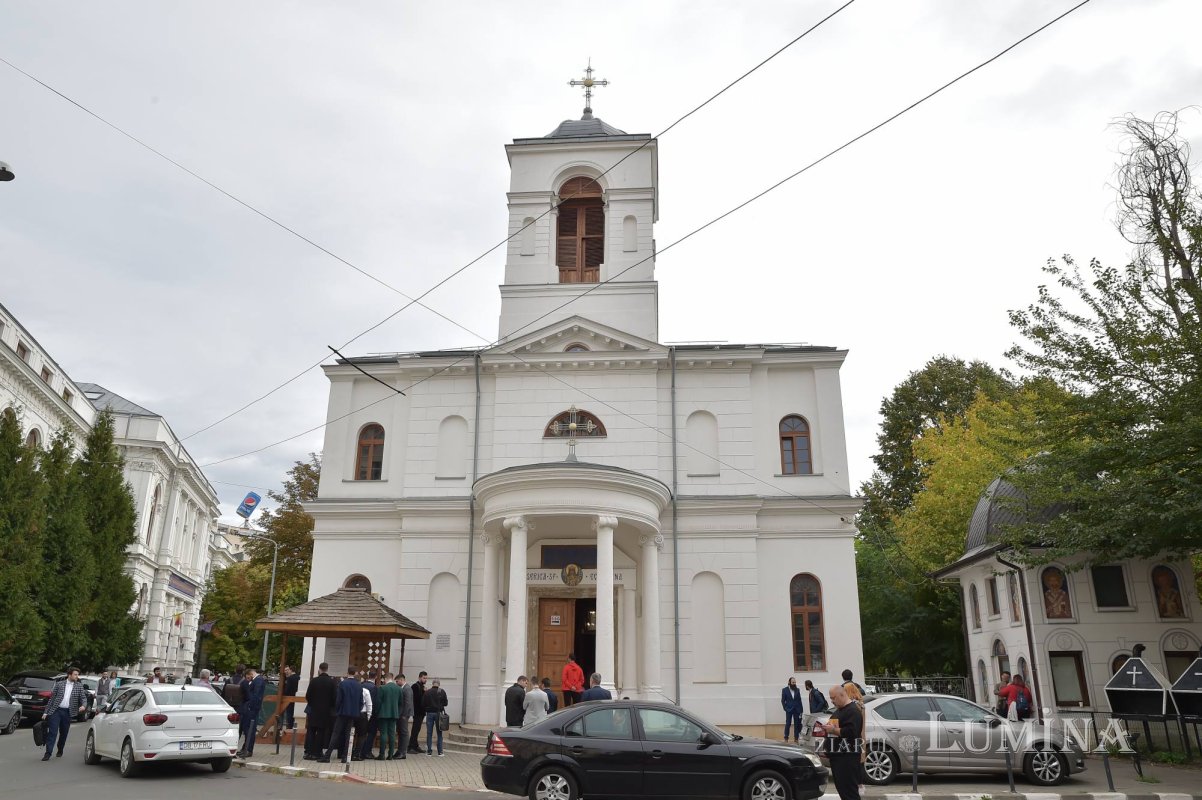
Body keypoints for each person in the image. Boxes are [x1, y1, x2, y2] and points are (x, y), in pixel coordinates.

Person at [821, 684, 864, 800]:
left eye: (833, 698)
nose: (832, 701)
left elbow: (851, 732)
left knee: (849, 793)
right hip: (838, 758)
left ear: (842, 694)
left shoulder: (853, 711)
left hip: (847, 759)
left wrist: (833, 730)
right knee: (843, 792)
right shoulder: (840, 710)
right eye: (831, 698)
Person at [41, 667, 88, 761]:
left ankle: (60, 749)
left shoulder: (79, 686)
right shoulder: (59, 684)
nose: (77, 676)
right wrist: (46, 712)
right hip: (56, 711)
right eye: (75, 674)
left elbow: (83, 698)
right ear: (69, 675)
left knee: (64, 733)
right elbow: (52, 699)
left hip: (68, 712)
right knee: (52, 732)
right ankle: (48, 753)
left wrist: (83, 705)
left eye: (77, 674)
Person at [318, 667, 362, 763]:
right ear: (355, 673)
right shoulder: (359, 685)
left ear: (347, 673)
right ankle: (345, 756)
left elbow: (339, 700)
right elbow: (361, 701)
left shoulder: (343, 684)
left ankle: (327, 756)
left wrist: (337, 710)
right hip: (353, 713)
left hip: (342, 712)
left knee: (336, 733)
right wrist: (357, 711)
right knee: (348, 735)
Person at [304, 662, 336, 760]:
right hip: (325, 711)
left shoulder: (314, 681)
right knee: (321, 732)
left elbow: (308, 695)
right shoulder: (331, 682)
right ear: (327, 669)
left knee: (311, 731)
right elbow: (334, 698)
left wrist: (312, 703)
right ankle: (318, 752)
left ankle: (309, 752)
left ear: (319, 669)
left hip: (314, 710)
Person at [236, 666, 266, 758]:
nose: (248, 680)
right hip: (251, 709)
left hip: (252, 709)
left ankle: (248, 750)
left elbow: (256, 696)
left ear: (250, 674)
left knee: (250, 730)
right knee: (247, 729)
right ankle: (245, 748)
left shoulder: (258, 680)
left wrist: (249, 706)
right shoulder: (256, 680)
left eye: (248, 678)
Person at [357, 670, 380, 760]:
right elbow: (374, 703)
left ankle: (359, 750)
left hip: (360, 712)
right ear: (376, 677)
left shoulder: (362, 685)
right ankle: (366, 752)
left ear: (368, 675)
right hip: (370, 714)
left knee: (361, 733)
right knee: (371, 733)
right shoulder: (374, 688)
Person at [423, 678, 448, 756]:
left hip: (429, 714)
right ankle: (440, 752)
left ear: (432, 683)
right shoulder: (442, 691)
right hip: (439, 714)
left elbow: (423, 704)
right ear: (439, 684)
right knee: (439, 733)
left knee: (429, 733)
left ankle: (429, 752)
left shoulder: (427, 692)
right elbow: (446, 703)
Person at [377, 672, 400, 760]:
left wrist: (377, 712)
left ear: (385, 679)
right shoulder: (398, 689)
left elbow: (378, 702)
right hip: (394, 714)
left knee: (383, 734)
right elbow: (400, 702)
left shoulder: (382, 688)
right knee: (392, 734)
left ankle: (382, 754)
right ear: (392, 678)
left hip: (383, 714)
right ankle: (390, 755)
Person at [407, 672, 427, 753]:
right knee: (415, 729)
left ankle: (415, 745)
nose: (425, 680)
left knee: (417, 729)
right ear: (419, 678)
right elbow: (416, 699)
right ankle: (411, 747)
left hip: (421, 712)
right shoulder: (415, 686)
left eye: (426, 678)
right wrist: (424, 692)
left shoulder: (422, 686)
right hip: (417, 712)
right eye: (424, 678)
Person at [395, 673, 413, 759]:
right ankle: (399, 751)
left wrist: (405, 715)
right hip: (401, 714)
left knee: (404, 733)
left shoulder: (407, 689)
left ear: (402, 680)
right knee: (400, 733)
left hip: (404, 715)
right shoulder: (403, 688)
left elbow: (408, 703)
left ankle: (403, 752)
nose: (396, 683)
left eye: (397, 681)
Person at [781, 676, 803, 743]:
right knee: (788, 724)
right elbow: (783, 700)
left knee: (797, 724)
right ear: (789, 682)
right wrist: (785, 708)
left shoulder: (797, 690)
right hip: (789, 710)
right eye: (793, 682)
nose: (794, 683)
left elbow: (799, 700)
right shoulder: (784, 690)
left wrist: (801, 710)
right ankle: (786, 738)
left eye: (795, 682)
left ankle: (796, 739)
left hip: (797, 710)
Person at [282, 665, 300, 730]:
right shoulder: (299, 677)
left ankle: (289, 728)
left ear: (291, 670)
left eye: (288, 670)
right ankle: (293, 727)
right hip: (296, 698)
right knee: (294, 713)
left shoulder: (290, 678)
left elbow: (287, 689)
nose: (287, 671)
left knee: (289, 714)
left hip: (289, 698)